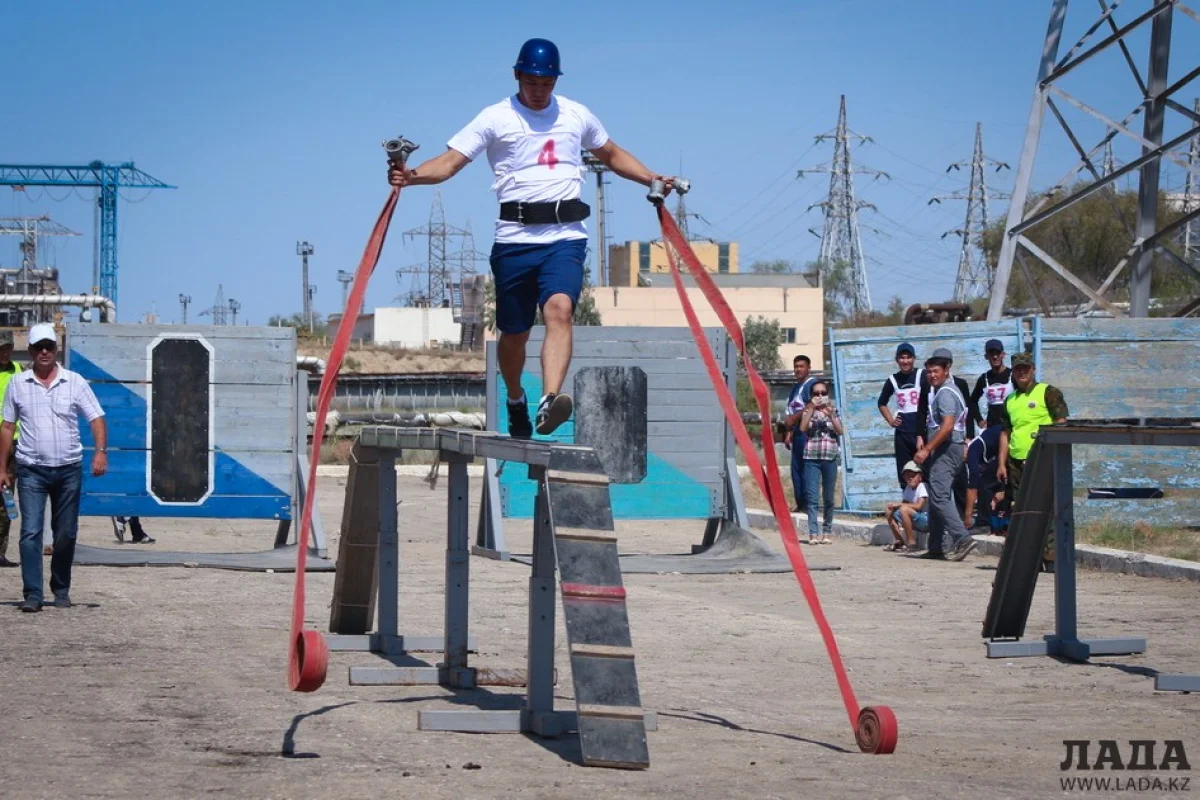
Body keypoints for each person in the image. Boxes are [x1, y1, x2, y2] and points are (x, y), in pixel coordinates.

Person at [387, 38, 677, 439]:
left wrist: (650, 177)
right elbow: (451, 162)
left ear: (556, 80)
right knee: (515, 333)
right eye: (533, 80)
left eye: (547, 81)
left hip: (565, 237)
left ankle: (550, 398)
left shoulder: (576, 114)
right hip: (515, 240)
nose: (540, 88)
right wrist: (412, 175)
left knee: (560, 310)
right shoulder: (495, 117)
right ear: (517, 75)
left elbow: (610, 153)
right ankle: (515, 396)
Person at [0, 323, 108, 612]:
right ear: (32, 352)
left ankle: (61, 588)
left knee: (66, 533)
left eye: (49, 346)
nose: (44, 352)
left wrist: (100, 452)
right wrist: (2, 468)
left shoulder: (74, 382)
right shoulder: (18, 384)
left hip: (68, 469)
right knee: (31, 532)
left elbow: (96, 418)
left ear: (56, 349)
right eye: (38, 348)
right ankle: (33, 594)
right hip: (31, 469)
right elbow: (8, 426)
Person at [997, 352, 1069, 571]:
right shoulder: (1010, 400)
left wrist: (1051, 453)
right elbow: (1005, 433)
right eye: (1018, 369)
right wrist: (1001, 463)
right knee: (1022, 510)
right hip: (1016, 463)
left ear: (1033, 369)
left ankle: (1052, 556)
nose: (1022, 372)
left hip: (1041, 458)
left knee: (1046, 507)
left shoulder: (1048, 392)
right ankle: (1031, 558)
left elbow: (1061, 424)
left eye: (1025, 368)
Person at [912, 348, 976, 562]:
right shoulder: (946, 391)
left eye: (936, 371)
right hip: (947, 449)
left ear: (947, 370)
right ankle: (936, 546)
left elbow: (948, 426)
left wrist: (927, 449)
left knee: (939, 496)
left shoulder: (946, 394)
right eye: (929, 372)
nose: (932, 375)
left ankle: (962, 538)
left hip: (947, 449)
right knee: (938, 496)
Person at [799, 380, 843, 545]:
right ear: (811, 396)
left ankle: (827, 530)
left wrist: (831, 414)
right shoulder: (808, 410)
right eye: (816, 393)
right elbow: (803, 428)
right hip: (812, 456)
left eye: (823, 393)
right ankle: (813, 532)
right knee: (812, 497)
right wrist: (811, 409)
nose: (820, 396)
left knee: (829, 497)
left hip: (829, 456)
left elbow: (840, 431)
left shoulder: (833, 410)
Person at [877, 342, 923, 488]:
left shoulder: (921, 375)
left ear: (914, 359)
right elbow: (881, 403)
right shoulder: (893, 379)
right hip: (903, 431)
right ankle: (907, 502)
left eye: (908, 357)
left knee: (924, 467)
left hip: (920, 430)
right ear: (897, 360)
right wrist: (891, 420)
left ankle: (925, 505)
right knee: (904, 469)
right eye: (902, 358)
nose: (905, 361)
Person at [783, 354, 816, 511]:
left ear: (808, 368)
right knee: (795, 468)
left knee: (807, 468)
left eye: (801, 366)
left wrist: (795, 417)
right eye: (796, 366)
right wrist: (788, 432)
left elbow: (812, 404)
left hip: (808, 431)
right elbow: (790, 409)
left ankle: (809, 503)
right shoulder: (796, 386)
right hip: (796, 432)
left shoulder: (812, 384)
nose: (798, 369)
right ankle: (800, 502)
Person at [0, 331, 21, 568]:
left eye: (8, 348)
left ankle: (0, 550)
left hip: (12, 444)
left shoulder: (18, 371)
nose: (5, 353)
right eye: (1, 349)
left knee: (6, 500)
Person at [962, 423, 1002, 530]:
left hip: (1006, 438)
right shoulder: (980, 448)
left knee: (984, 484)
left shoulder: (973, 449)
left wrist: (968, 515)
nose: (964, 461)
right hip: (1003, 442)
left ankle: (983, 523)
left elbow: (972, 485)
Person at [968, 339, 1013, 430]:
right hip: (992, 426)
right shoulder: (984, 378)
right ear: (986, 356)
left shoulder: (1013, 375)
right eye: (991, 353)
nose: (995, 357)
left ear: (1003, 355)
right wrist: (979, 419)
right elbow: (972, 401)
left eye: (998, 353)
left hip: (1012, 426)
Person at [884, 461, 928, 553]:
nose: (910, 478)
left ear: (920, 477)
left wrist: (900, 505)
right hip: (915, 519)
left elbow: (918, 506)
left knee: (904, 509)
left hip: (926, 520)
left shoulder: (922, 486)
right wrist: (893, 506)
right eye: (907, 476)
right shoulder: (908, 488)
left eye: (913, 475)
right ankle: (899, 540)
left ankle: (911, 543)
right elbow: (903, 504)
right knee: (889, 509)